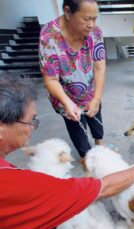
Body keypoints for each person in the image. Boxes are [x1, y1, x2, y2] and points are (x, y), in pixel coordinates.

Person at [0, 72, 134, 229]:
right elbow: (101, 189)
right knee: (48, 221)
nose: (33, 127)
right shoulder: (17, 184)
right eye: (31, 121)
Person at [39, 0, 105, 162]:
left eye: (94, 19)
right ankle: (87, 158)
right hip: (64, 94)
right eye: (86, 19)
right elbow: (51, 79)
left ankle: (100, 145)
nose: (92, 25)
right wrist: (67, 103)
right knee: (77, 128)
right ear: (68, 12)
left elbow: (99, 68)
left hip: (88, 90)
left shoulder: (95, 33)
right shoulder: (49, 36)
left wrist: (96, 98)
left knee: (95, 115)